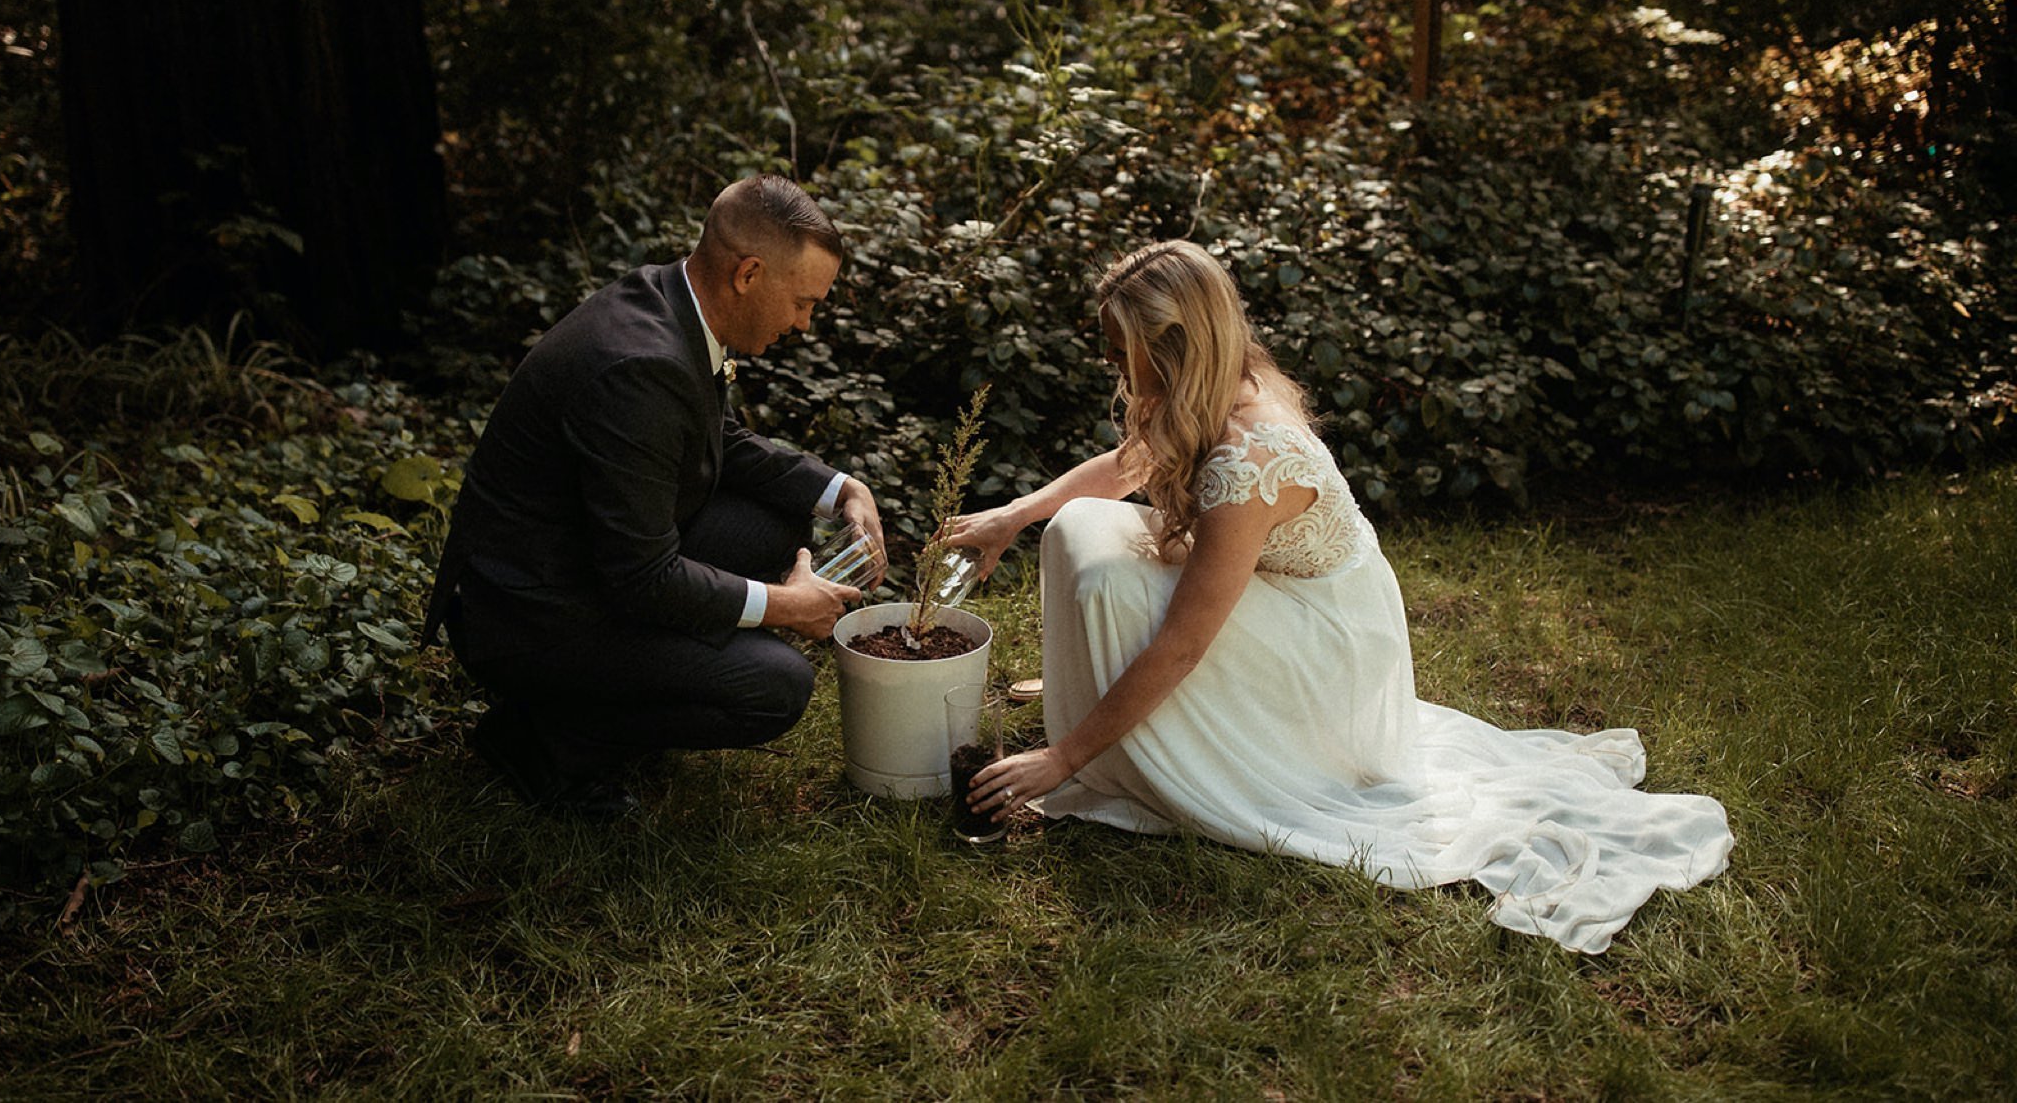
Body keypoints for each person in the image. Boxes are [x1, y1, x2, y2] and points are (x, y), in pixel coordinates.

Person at [944, 240, 1732, 952]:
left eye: (1125, 355)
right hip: (1300, 594)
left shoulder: (1247, 461)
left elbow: (1183, 643)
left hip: (1329, 640)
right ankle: (1100, 693)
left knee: (1117, 579)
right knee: (1077, 526)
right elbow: (1125, 469)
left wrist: (1066, 757)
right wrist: (1014, 514)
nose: (1117, 372)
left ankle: (1114, 733)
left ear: (1174, 349)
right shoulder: (1223, 377)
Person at [421, 175, 884, 820]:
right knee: (775, 686)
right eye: (803, 301)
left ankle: (625, 691)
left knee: (779, 525)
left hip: (586, 554)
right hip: (530, 611)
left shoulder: (671, 300)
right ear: (748, 274)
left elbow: (714, 436)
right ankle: (547, 736)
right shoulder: (639, 366)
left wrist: (840, 490)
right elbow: (641, 578)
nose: (804, 323)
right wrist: (784, 607)